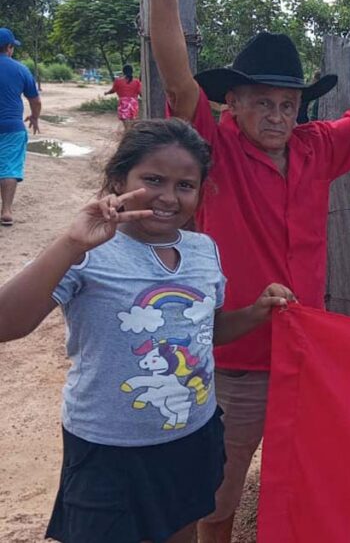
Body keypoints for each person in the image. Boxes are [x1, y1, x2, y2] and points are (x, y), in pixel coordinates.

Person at [141, 0, 350, 542]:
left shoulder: (315, 146)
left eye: (287, 104)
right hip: (236, 358)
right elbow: (178, 79)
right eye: (262, 103)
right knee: (218, 491)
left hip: (307, 354)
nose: (278, 116)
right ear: (232, 103)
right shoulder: (214, 147)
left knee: (304, 479)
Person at [0, 119, 294, 543]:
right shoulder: (90, 250)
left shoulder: (203, 250)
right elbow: (7, 323)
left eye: (185, 185)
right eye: (153, 180)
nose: (168, 197)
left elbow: (205, 333)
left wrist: (254, 313)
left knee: (181, 532)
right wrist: (70, 244)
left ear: (201, 191)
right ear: (120, 180)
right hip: (108, 449)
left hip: (193, 436)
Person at [0, 26, 41, 227]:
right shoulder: (21, 69)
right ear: (9, 47)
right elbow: (35, 101)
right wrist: (34, 117)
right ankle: (6, 211)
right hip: (12, 126)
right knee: (9, 167)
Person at [106, 64, 143, 128]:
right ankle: (130, 131)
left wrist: (107, 93)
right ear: (132, 72)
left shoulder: (118, 81)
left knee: (125, 120)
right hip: (133, 103)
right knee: (132, 120)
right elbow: (140, 93)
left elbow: (113, 90)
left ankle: (127, 131)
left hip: (123, 103)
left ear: (123, 72)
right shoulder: (137, 82)